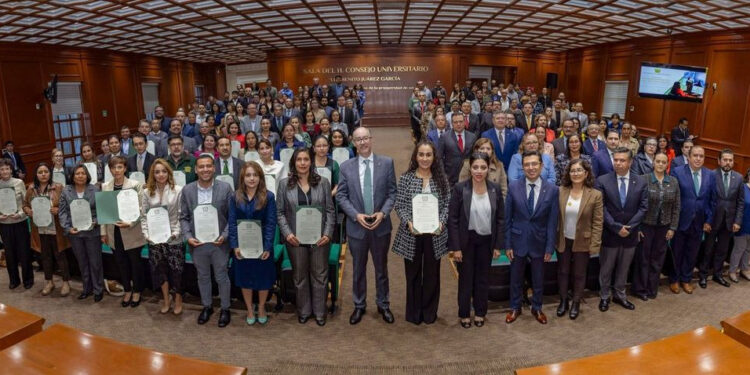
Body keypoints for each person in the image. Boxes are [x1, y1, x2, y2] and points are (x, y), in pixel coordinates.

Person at [336, 127, 397, 325]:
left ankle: (383, 304)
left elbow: (392, 193)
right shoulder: (345, 167)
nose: (362, 143)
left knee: (381, 269)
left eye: (365, 138)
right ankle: (359, 305)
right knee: (358, 269)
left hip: (381, 225)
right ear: (353, 142)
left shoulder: (387, 163)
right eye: (358, 139)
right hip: (357, 227)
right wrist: (355, 215)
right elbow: (341, 196)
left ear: (371, 139)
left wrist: (383, 213)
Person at [392, 141, 450, 325]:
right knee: (413, 274)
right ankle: (414, 313)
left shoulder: (441, 179)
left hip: (435, 234)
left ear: (434, 158)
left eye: (428, 155)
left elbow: (447, 204)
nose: (425, 159)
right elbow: (399, 205)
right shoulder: (406, 178)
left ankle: (429, 313)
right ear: (415, 157)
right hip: (412, 234)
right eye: (421, 155)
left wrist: (441, 221)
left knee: (432, 275)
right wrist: (408, 221)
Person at [277, 148, 335, 325]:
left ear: (311, 162)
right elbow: (279, 212)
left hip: (319, 239)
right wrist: (288, 234)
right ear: (293, 163)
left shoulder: (323, 183)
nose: (302, 163)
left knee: (320, 275)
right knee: (299, 276)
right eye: (299, 160)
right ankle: (303, 311)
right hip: (296, 240)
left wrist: (327, 234)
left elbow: (330, 211)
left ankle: (319, 312)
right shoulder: (284, 184)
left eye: (306, 159)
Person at [449, 152, 503, 328]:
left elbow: (500, 220)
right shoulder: (460, 189)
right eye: (475, 167)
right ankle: (464, 313)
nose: (479, 171)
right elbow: (454, 220)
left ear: (488, 169)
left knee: (482, 279)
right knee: (466, 279)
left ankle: (480, 312)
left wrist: (497, 246)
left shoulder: (495, 189)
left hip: (487, 241)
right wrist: (456, 247)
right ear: (470, 168)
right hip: (467, 241)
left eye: (483, 167)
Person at [179, 154, 234, 327]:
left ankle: (225, 308)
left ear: (214, 168)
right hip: (198, 243)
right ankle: (207, 306)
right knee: (202, 276)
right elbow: (184, 217)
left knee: (221, 276)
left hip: (220, 243)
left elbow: (232, 217)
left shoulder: (225, 188)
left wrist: (224, 235)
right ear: (195, 169)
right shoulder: (187, 190)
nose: (205, 169)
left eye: (208, 166)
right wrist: (188, 237)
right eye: (201, 166)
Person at [505, 151, 559, 325]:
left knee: (538, 278)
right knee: (515, 278)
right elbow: (507, 219)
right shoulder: (513, 187)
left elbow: (552, 222)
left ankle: (537, 307)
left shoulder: (552, 190)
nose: (531, 168)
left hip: (540, 241)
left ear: (541, 166)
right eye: (527, 164)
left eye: (534, 164)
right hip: (517, 240)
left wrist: (550, 247)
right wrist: (507, 245)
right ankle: (515, 307)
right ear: (522, 167)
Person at [595, 147, 648, 312]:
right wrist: (616, 228)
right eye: (616, 160)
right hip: (610, 233)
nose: (618, 163)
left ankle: (620, 295)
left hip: (630, 235)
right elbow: (601, 208)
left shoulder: (640, 181)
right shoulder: (602, 180)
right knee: (606, 268)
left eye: (622, 160)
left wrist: (630, 228)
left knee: (624, 268)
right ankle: (604, 296)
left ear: (630, 162)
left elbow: (644, 208)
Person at [229, 161, 277, 325]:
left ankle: (262, 307)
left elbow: (271, 223)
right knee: (245, 278)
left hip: (262, 245)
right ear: (242, 178)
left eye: (255, 175)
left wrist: (268, 247)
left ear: (260, 177)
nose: (251, 178)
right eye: (248, 175)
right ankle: (250, 309)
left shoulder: (269, 196)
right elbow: (232, 223)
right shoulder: (235, 196)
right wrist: (234, 245)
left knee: (263, 278)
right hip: (242, 246)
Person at [555, 159, 602, 319]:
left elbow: (597, 222)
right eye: (573, 170)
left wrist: (595, 245)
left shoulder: (595, 195)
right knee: (563, 272)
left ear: (586, 173)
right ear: (568, 173)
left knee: (579, 274)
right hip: (563, 239)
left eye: (579, 170)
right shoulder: (561, 191)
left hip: (583, 240)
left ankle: (576, 302)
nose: (575, 173)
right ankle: (563, 301)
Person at [632, 152, 680, 300]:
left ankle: (652, 289)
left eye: (663, 162)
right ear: (653, 163)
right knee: (643, 259)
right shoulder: (643, 179)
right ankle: (640, 289)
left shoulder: (673, 182)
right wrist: (637, 227)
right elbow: (636, 205)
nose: (660, 164)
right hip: (646, 225)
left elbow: (677, 207)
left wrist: (672, 227)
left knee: (657, 259)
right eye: (657, 161)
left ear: (667, 164)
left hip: (664, 227)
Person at [101, 156, 147, 308]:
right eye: (114, 168)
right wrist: (103, 232)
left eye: (120, 167)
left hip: (132, 230)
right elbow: (104, 212)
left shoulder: (135, 185)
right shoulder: (106, 187)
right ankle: (127, 289)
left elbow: (142, 209)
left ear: (125, 168)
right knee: (121, 263)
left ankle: (137, 291)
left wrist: (131, 222)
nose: (117, 171)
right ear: (110, 170)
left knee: (135, 263)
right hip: (113, 232)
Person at [669, 145, 716, 294]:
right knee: (677, 252)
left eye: (701, 156)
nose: (698, 159)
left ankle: (686, 279)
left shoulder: (710, 174)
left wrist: (708, 220)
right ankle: (674, 280)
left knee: (692, 253)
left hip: (699, 222)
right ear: (688, 157)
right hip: (681, 220)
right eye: (695, 155)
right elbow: (673, 198)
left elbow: (712, 201)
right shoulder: (678, 172)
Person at [140, 159, 184, 315]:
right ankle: (166, 299)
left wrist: (176, 233)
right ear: (153, 174)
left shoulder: (178, 190)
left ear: (169, 173)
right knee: (160, 270)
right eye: (157, 172)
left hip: (174, 237)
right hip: (155, 239)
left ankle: (178, 299)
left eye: (164, 171)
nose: (160, 175)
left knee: (176, 270)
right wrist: (146, 234)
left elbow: (181, 215)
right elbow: (144, 216)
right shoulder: (146, 192)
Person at [24, 163, 70, 296]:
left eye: (45, 171)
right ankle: (49, 281)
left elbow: (67, 205)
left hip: (56, 228)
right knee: (45, 257)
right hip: (39, 229)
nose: (43, 174)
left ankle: (66, 282)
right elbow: (25, 205)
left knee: (60, 255)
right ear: (36, 175)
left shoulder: (59, 187)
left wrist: (58, 210)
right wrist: (28, 211)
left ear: (50, 173)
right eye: (40, 172)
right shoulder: (31, 189)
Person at [58, 165, 104, 301]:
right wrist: (67, 228)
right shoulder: (66, 191)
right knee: (82, 262)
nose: (80, 176)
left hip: (92, 232)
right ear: (72, 176)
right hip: (75, 233)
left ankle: (98, 289)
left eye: (83, 173)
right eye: (77, 173)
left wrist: (94, 222)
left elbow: (101, 210)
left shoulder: (94, 189)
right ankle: (86, 288)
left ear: (87, 175)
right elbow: (62, 211)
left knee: (95, 262)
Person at [699, 149, 744, 288]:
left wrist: (737, 221)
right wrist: (706, 220)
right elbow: (706, 199)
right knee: (708, 249)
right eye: (725, 159)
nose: (728, 162)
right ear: (719, 161)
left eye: (730, 160)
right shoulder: (711, 175)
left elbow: (740, 202)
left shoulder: (739, 177)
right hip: (712, 220)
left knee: (722, 250)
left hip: (729, 221)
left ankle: (718, 275)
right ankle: (703, 276)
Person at [0, 159, 32, 289]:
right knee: (9, 253)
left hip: (19, 222)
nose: (4, 171)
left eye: (7, 168)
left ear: (11, 170)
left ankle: (28, 280)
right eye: (2, 169)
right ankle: (14, 280)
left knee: (24, 252)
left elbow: (25, 204)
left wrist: (19, 214)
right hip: (4, 224)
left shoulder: (19, 183)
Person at [438, 112, 476, 185]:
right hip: (450, 176)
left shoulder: (472, 137)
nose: (458, 124)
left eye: (461, 121)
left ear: (465, 122)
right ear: (452, 124)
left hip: (468, 175)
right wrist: (443, 174)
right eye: (455, 122)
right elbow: (439, 158)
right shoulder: (444, 137)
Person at [729, 168, 750, 282]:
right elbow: (738, 205)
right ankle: (732, 271)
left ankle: (745, 270)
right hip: (742, 224)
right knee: (739, 248)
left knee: (748, 249)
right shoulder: (742, 187)